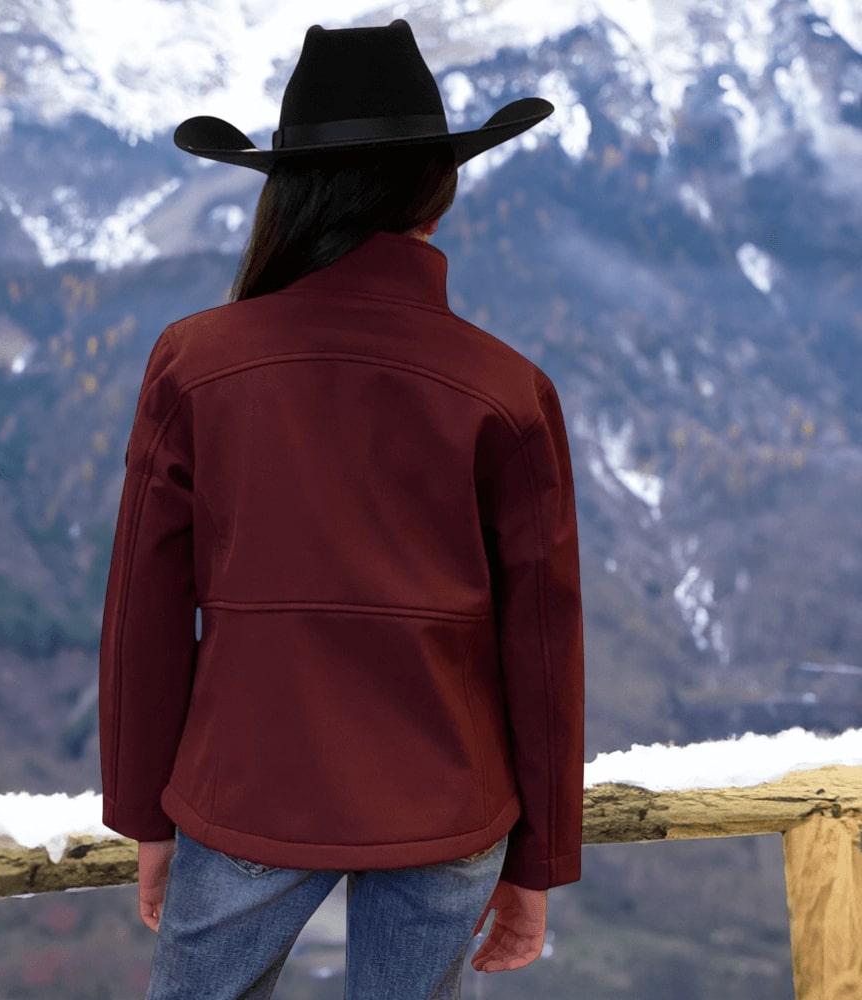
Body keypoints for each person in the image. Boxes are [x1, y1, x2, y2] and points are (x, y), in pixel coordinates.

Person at [99, 18, 585, 1000]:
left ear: (286, 191)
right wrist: (538, 861)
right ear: (435, 192)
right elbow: (541, 646)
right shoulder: (507, 388)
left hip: (245, 788)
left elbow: (143, 611)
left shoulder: (195, 362)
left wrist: (145, 814)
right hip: (449, 798)